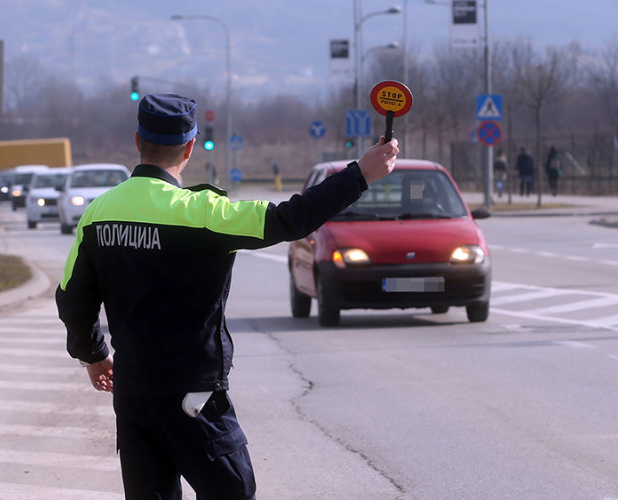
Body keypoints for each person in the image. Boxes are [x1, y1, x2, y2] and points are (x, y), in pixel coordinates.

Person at [55, 93, 398, 500]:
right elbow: (290, 218)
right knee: (234, 492)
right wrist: (359, 174)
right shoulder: (204, 212)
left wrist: (93, 355)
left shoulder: (99, 212)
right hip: (193, 397)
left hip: (134, 395)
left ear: (137, 141)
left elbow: (71, 299)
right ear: (190, 146)